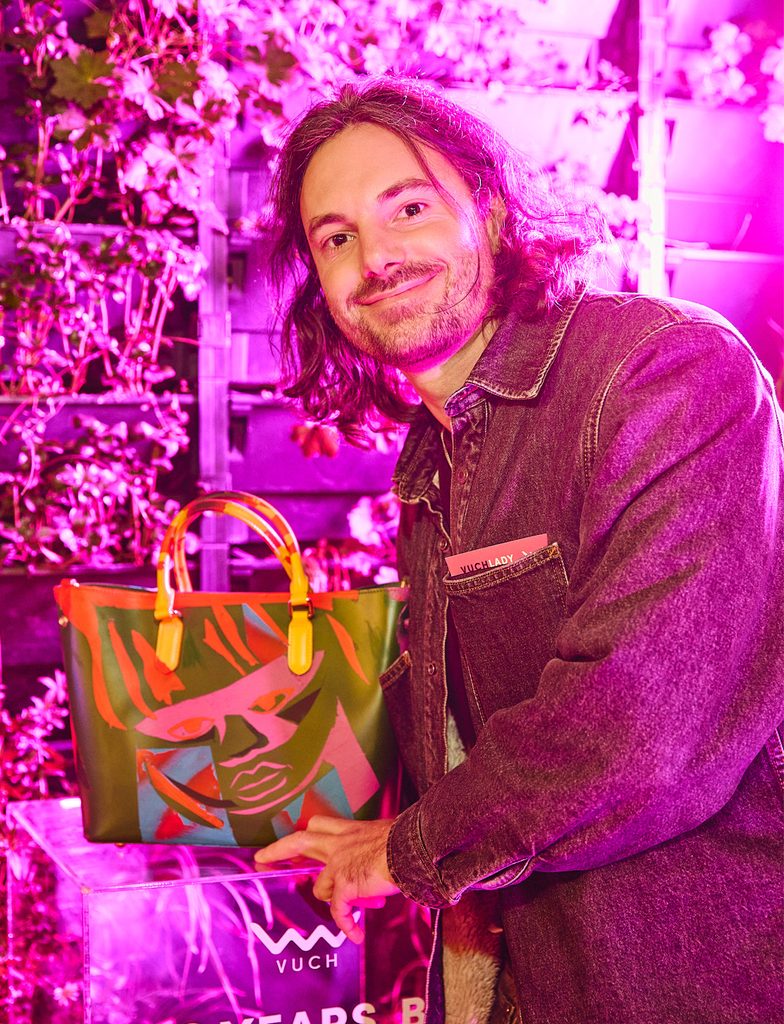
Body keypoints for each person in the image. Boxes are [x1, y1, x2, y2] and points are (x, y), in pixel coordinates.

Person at [253, 77, 784, 1024]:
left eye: (408, 208)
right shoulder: (433, 459)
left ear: (492, 211)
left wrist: (402, 853)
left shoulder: (662, 369)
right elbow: (475, 744)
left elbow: (635, 732)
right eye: (335, 237)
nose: (376, 257)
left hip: (687, 984)